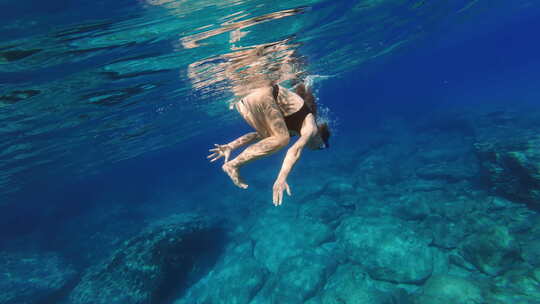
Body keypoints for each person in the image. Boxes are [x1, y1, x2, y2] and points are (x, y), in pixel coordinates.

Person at [208, 83, 330, 206]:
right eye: (321, 147)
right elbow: (295, 150)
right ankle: (233, 165)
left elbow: (257, 136)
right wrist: (282, 177)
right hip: (259, 94)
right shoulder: (311, 127)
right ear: (321, 138)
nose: (315, 148)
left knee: (271, 137)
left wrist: (231, 146)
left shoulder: (293, 129)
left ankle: (233, 164)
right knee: (282, 139)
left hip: (243, 101)